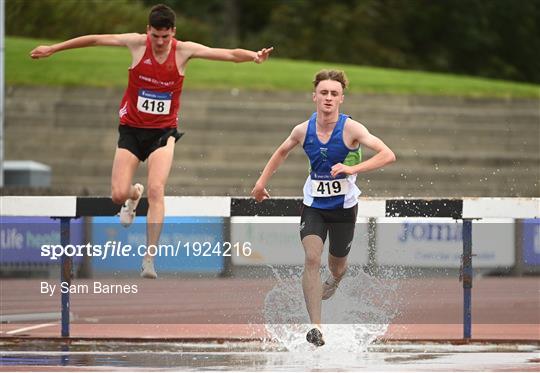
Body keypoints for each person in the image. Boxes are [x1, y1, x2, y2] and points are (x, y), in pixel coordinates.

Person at [30, 4, 273, 279]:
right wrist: (53, 48)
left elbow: (227, 54)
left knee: (157, 189)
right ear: (148, 31)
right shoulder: (136, 44)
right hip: (132, 131)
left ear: (173, 34)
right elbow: (96, 39)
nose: (159, 43)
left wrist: (254, 56)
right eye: (155, 36)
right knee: (117, 195)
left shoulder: (183, 50)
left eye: (165, 37)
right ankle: (134, 195)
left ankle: (149, 258)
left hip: (163, 133)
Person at [251, 70, 395, 347]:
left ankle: (337, 279)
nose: (328, 98)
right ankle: (316, 327)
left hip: (344, 208)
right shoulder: (303, 130)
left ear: (341, 99)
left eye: (334, 94)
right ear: (314, 96)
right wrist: (260, 183)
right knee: (311, 258)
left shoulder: (352, 128)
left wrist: (352, 168)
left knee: (336, 265)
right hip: (314, 205)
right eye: (324, 93)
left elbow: (388, 155)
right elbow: (281, 152)